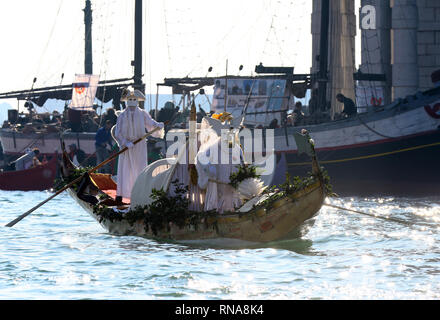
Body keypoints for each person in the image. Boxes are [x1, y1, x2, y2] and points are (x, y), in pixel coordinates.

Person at [114, 89, 165, 201]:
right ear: (126, 101)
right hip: (126, 147)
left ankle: (139, 193)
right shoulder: (122, 116)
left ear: (137, 101)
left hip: (139, 145)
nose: (132, 101)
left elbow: (150, 124)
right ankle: (121, 194)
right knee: (125, 169)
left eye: (134, 99)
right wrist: (125, 142)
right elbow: (118, 133)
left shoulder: (142, 113)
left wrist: (158, 125)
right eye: (130, 99)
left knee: (139, 167)